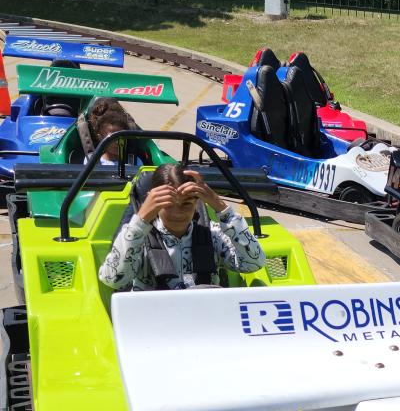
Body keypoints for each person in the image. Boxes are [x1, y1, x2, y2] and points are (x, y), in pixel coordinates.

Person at [98, 161, 266, 291]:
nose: (177, 213)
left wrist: (220, 206)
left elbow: (254, 263)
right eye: (169, 205)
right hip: (154, 324)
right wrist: (141, 220)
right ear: (153, 202)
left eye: (186, 204)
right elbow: (112, 280)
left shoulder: (212, 234)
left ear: (197, 202)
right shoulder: (139, 240)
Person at [86, 97, 144, 168]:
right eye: (113, 137)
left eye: (121, 136)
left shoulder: (136, 162)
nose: (118, 142)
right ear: (100, 138)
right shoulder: (91, 161)